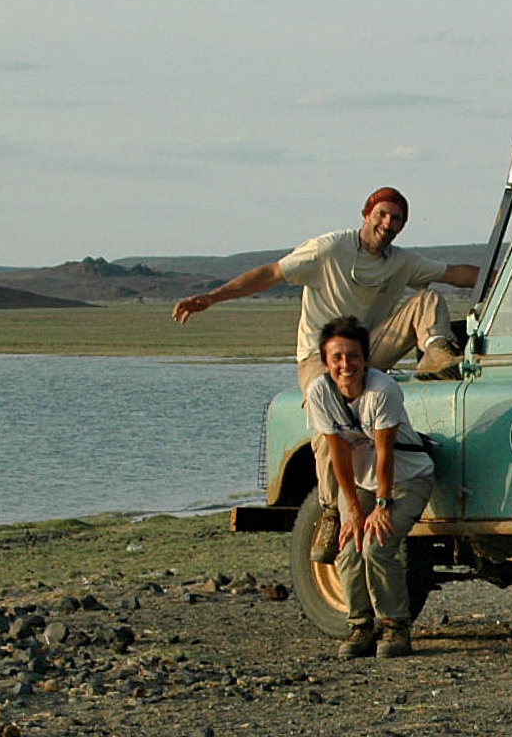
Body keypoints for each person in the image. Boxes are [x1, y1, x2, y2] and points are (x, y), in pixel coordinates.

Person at [172, 187, 477, 559]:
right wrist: (212, 297)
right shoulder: (330, 249)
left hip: (365, 349)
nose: (388, 223)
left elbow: (456, 274)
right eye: (382, 214)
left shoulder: (399, 262)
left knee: (428, 299)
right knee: (326, 417)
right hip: (323, 355)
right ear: (365, 214)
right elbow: (270, 273)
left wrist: (511, 274)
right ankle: (333, 511)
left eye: (396, 218)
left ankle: (436, 358)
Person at [302, 317, 436, 660]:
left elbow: (384, 451)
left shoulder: (383, 391)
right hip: (361, 481)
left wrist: (382, 505)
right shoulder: (319, 392)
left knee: (378, 544)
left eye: (353, 356)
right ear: (326, 360)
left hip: (405, 479)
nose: (346, 365)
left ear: (365, 359)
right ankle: (360, 625)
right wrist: (352, 510)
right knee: (349, 545)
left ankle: (395, 628)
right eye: (337, 358)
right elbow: (338, 453)